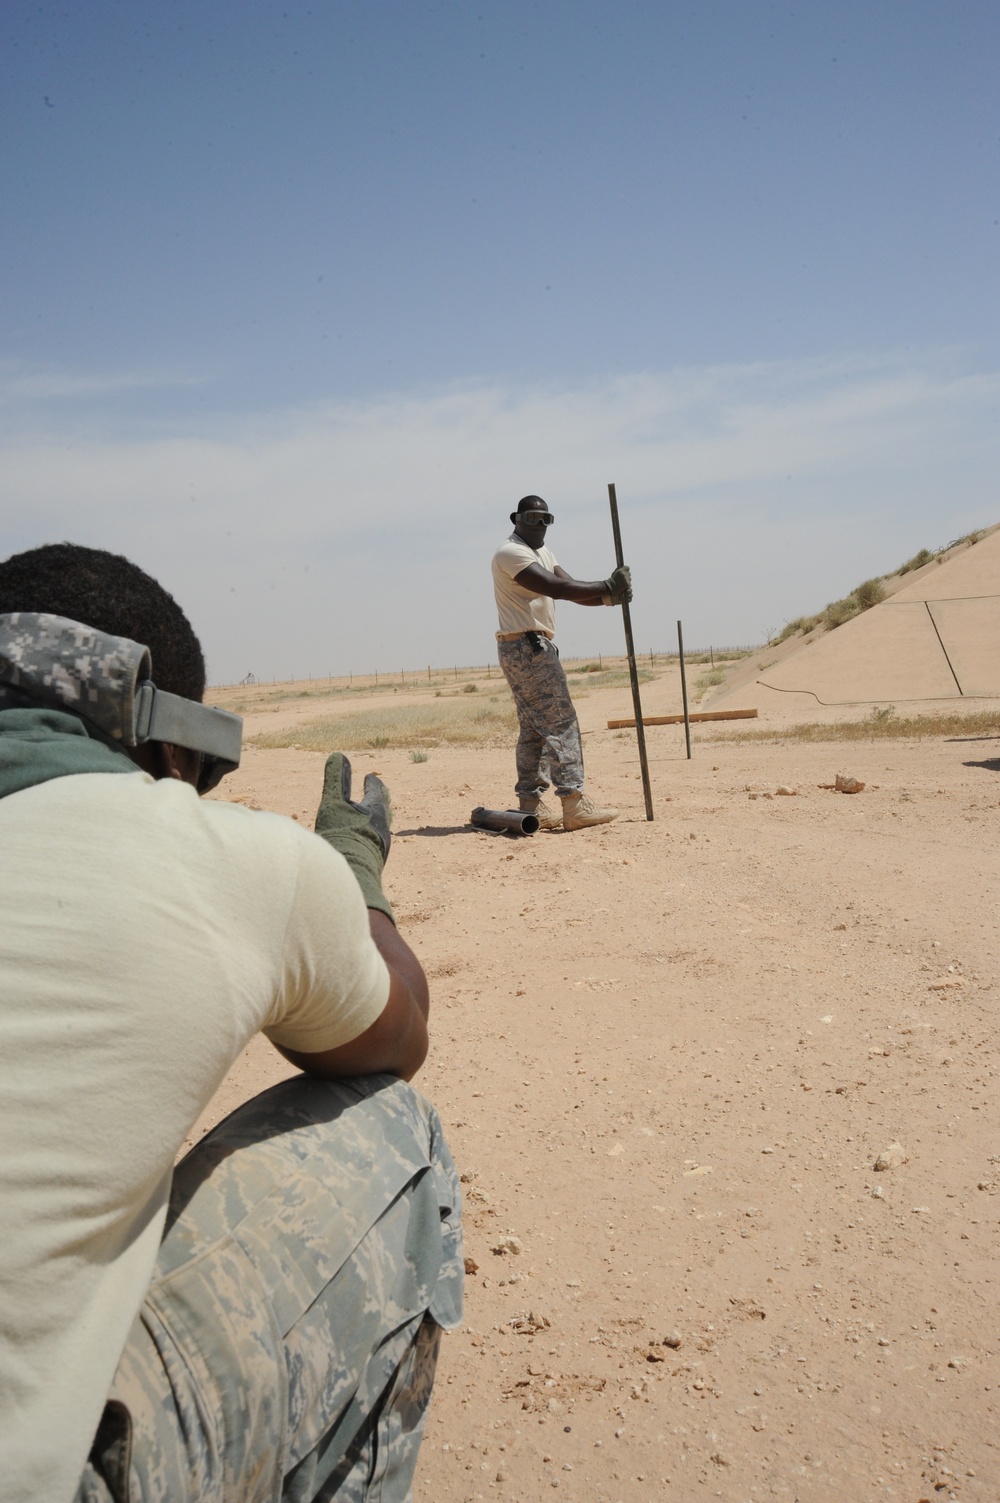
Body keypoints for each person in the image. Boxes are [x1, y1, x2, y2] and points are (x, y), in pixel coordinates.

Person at [0, 543, 462, 1503]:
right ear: (167, 741)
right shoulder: (220, 855)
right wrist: (353, 875)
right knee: (390, 1128)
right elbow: (398, 1032)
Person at [492, 495, 632, 831]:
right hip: (528, 647)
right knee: (561, 721)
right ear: (516, 519)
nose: (539, 525)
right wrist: (607, 585)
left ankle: (531, 804)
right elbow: (555, 588)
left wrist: (610, 597)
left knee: (534, 728)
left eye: (546, 519)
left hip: (525, 646)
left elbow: (570, 589)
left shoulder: (543, 553)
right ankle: (574, 803)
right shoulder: (510, 553)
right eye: (532, 518)